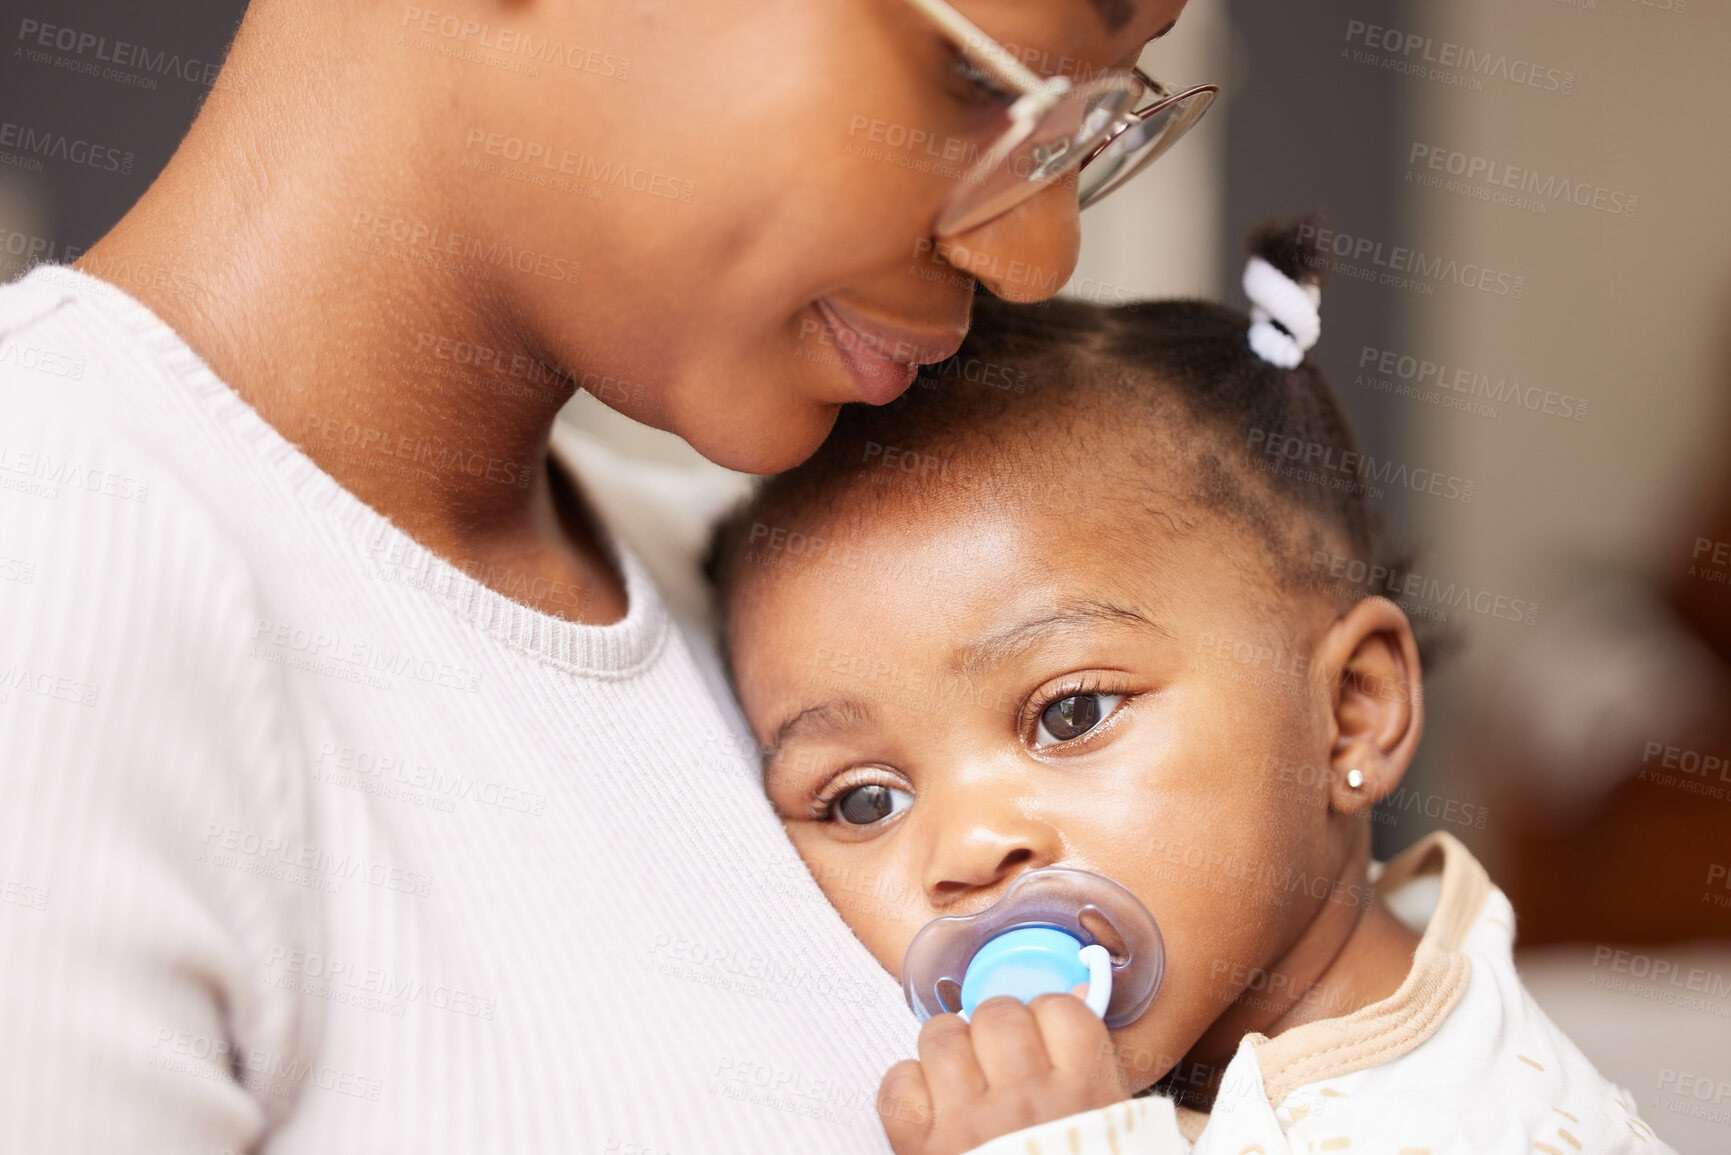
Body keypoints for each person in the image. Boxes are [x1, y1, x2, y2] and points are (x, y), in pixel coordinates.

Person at [0, 1, 1210, 1152]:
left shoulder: (789, 620)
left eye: (1090, 121)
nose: (1038, 253)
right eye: (984, 77)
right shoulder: (58, 563)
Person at [710, 221, 1676, 1153]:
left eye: (1070, 713)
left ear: (1347, 715)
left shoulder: (1456, 1119)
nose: (966, 848)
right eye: (863, 798)